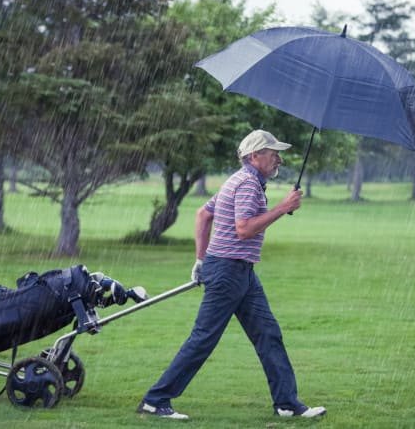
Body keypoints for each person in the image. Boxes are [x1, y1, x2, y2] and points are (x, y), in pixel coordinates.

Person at [137, 129, 326, 420]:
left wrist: (201, 260)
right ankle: (155, 399)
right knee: (203, 338)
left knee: (268, 333)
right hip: (229, 270)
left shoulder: (238, 179)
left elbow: (203, 214)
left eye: (278, 153)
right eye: (272, 152)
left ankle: (287, 403)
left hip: (238, 271)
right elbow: (244, 229)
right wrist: (283, 207)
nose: (279, 158)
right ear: (254, 156)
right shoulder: (248, 184)